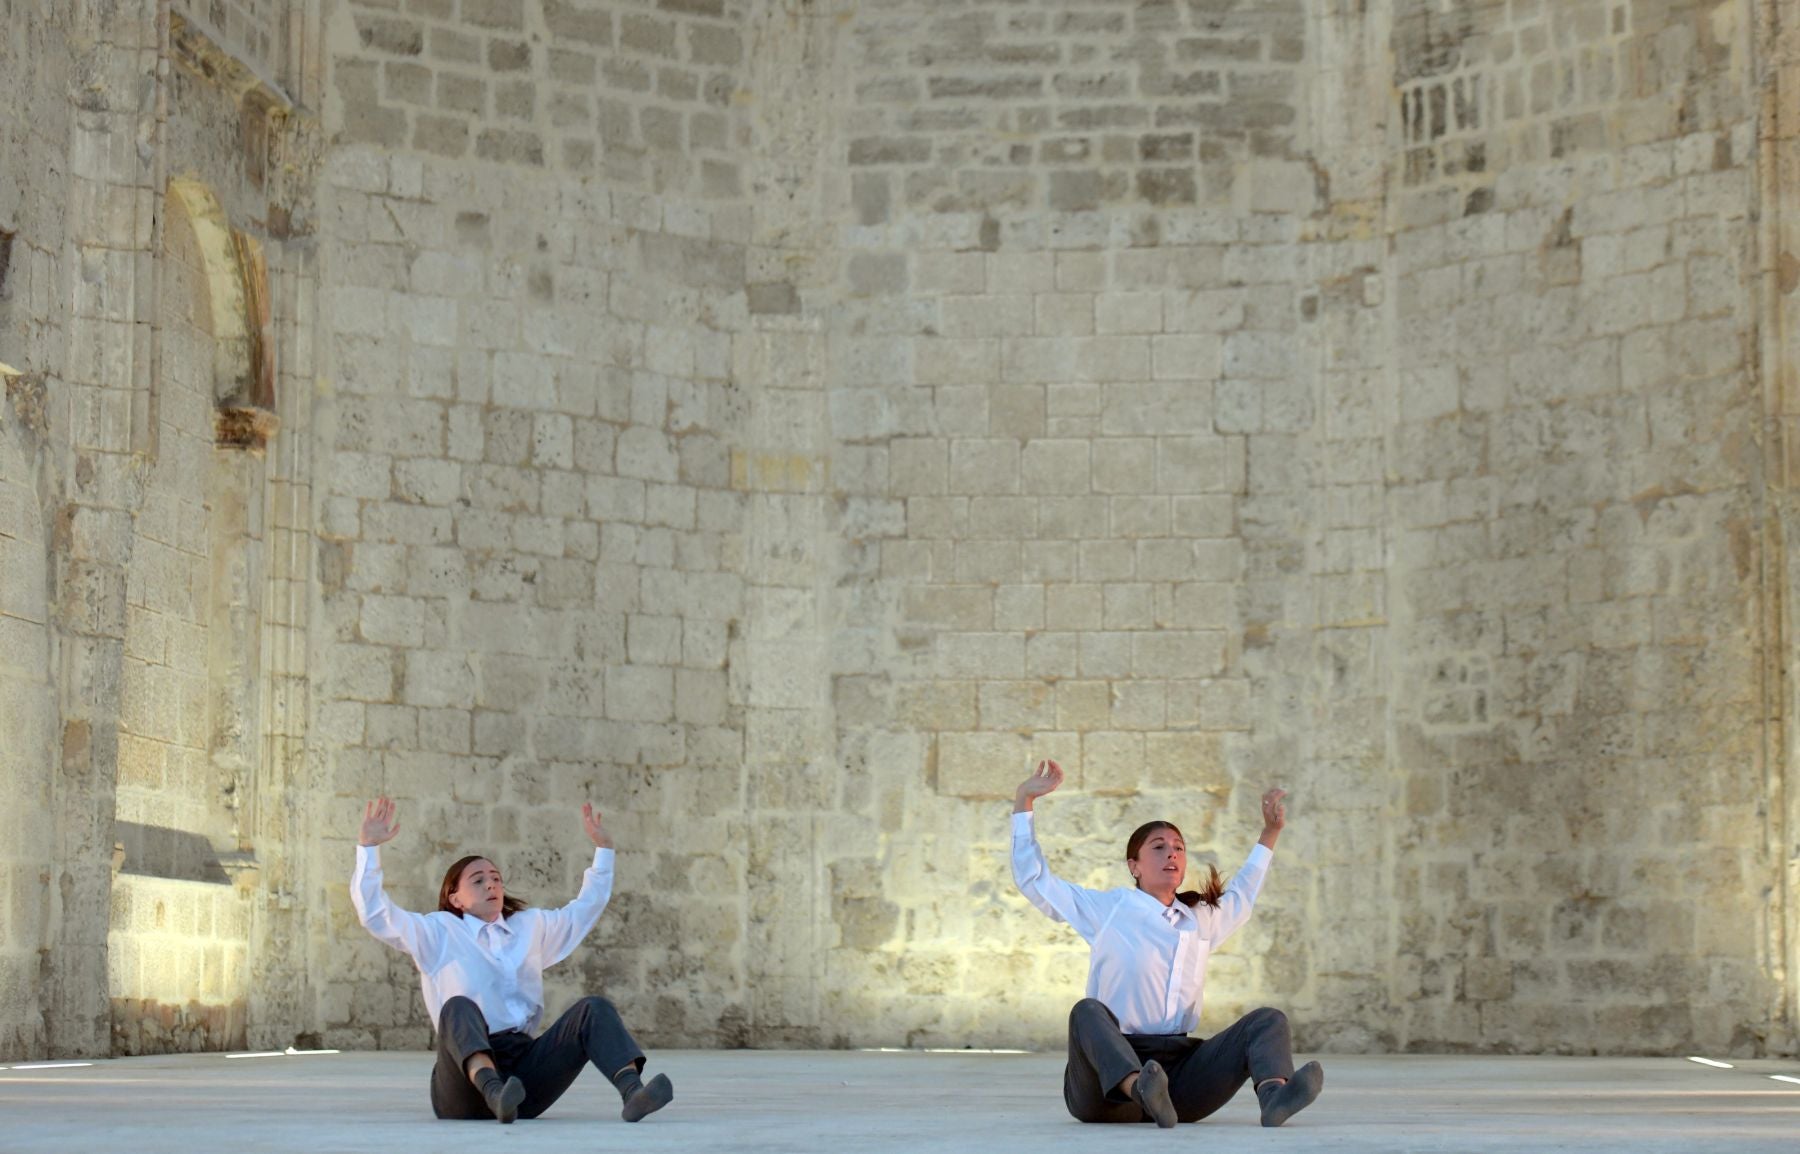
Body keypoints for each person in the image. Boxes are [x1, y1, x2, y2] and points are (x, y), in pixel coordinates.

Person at [1010, 759, 1322, 1128]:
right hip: (1106, 1090)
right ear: (1134, 866)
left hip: (1178, 1084)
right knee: (1087, 1011)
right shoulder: (1109, 909)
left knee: (1268, 1020)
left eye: (1178, 847)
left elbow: (1243, 894)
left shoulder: (1199, 919)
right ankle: (1138, 1087)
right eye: (1158, 847)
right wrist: (1024, 801)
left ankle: (1274, 1097)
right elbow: (1035, 879)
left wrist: (1270, 832)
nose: (1171, 853)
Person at [351, 795, 674, 1124]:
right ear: (455, 898)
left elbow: (583, 911)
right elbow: (377, 914)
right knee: (457, 1007)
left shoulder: (529, 926)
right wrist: (368, 848)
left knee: (594, 1009)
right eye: (478, 880)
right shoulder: (438, 931)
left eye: (495, 877)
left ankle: (634, 1092)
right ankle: (493, 1091)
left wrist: (604, 851)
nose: (490, 883)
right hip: (463, 1087)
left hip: (524, 1080)